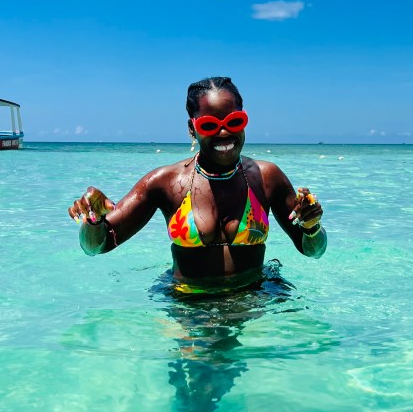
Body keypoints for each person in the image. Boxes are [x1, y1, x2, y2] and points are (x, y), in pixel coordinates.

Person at [68, 76, 327, 295]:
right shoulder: (166, 182)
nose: (224, 133)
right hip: (188, 303)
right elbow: (95, 247)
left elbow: (313, 251)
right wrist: (94, 219)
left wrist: (312, 226)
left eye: (234, 122)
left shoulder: (267, 177)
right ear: (192, 129)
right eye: (209, 125)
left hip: (256, 295)